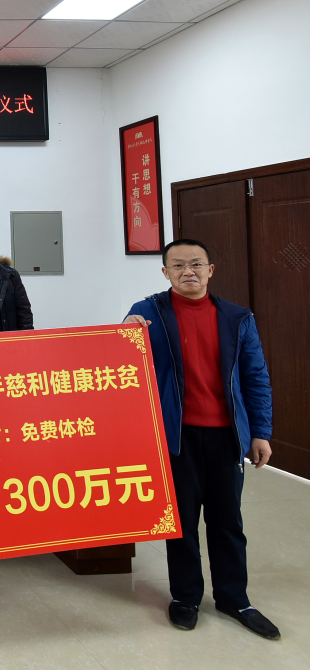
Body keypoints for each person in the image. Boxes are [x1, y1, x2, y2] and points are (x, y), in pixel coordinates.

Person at [124, 239, 280, 640]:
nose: (188, 272)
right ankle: (186, 597)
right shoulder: (148, 313)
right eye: (178, 266)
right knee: (181, 523)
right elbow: (123, 360)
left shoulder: (237, 317)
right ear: (165, 273)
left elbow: (255, 377)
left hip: (226, 436)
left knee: (228, 522)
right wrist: (125, 331)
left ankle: (234, 598)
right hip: (177, 438)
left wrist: (260, 432)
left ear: (211, 269)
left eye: (196, 264)